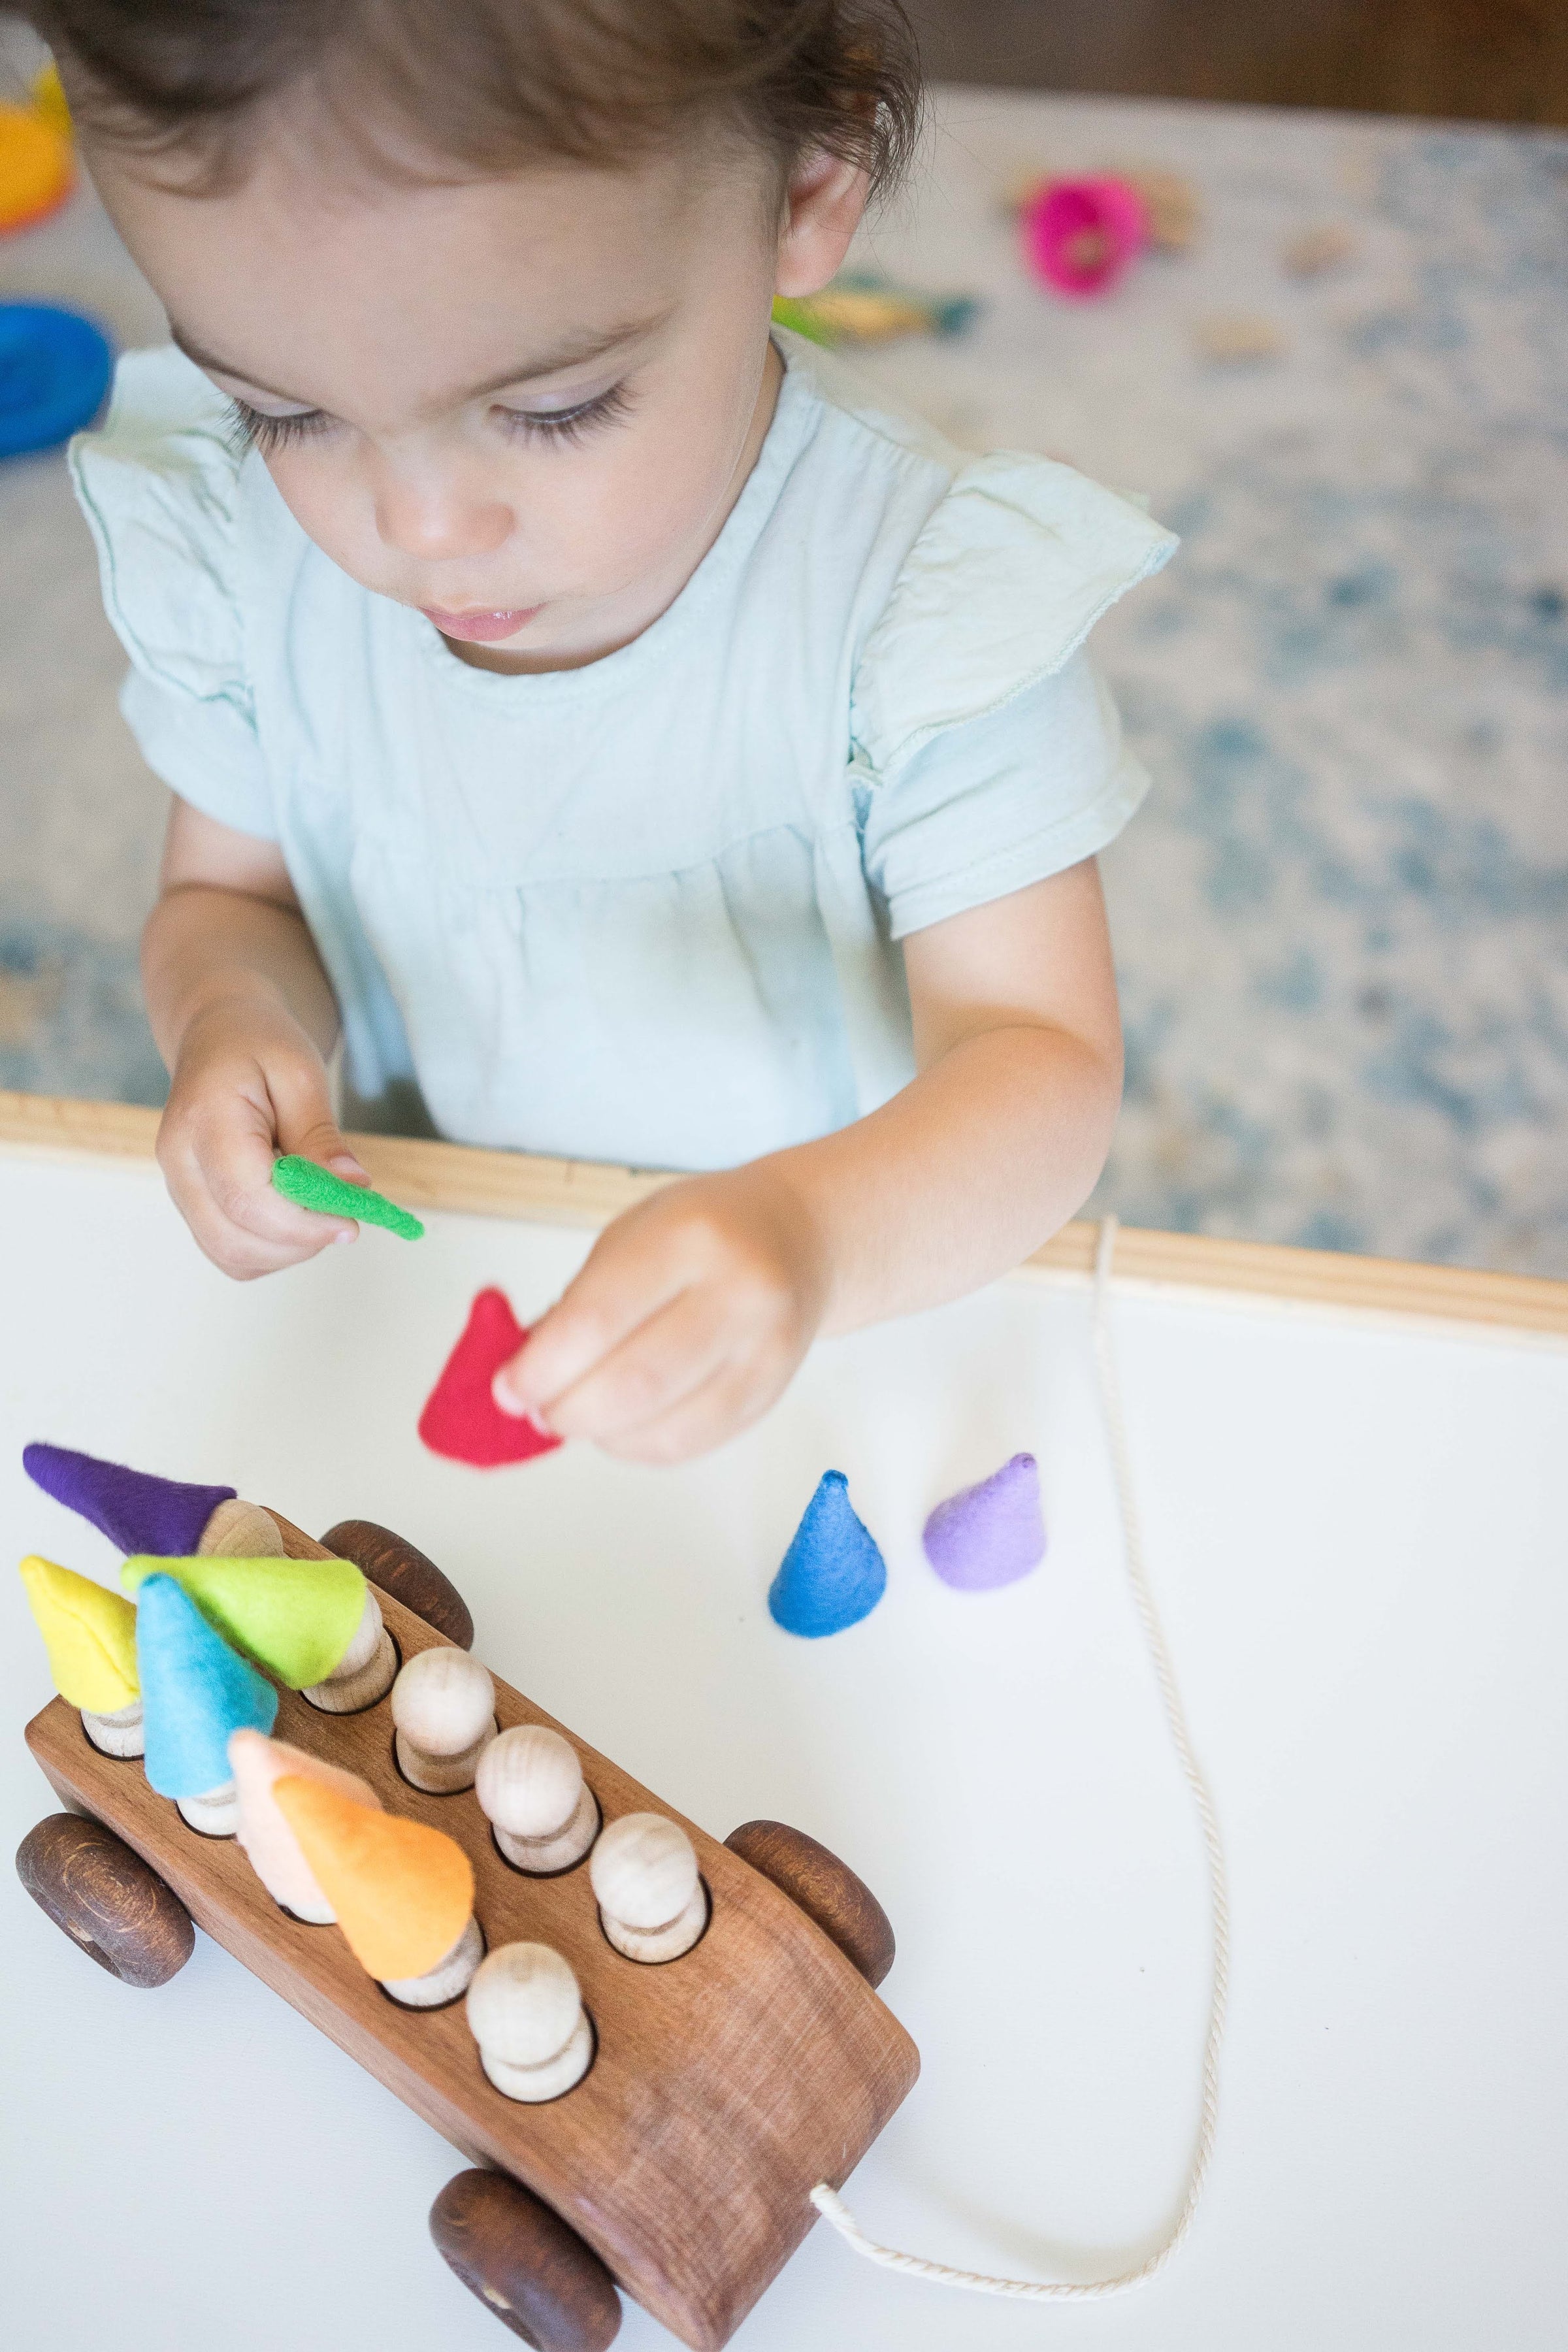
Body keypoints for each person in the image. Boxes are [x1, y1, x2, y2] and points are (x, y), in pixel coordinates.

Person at [39, 0, 1174, 1462]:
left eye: (556, 408)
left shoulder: (923, 614)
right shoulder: (251, 569)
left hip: (839, 1304)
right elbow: (224, 900)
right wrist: (233, 1021)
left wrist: (808, 1237)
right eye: (285, 412)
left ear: (812, 189)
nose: (420, 529)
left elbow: (1040, 1062)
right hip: (440, 1269)